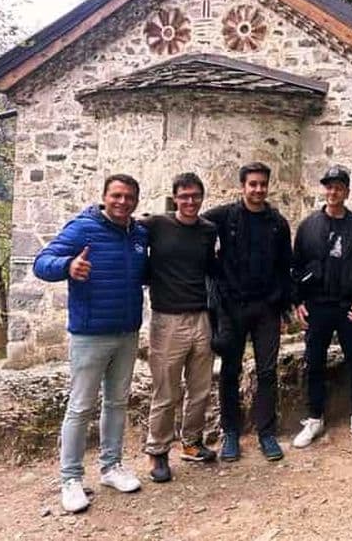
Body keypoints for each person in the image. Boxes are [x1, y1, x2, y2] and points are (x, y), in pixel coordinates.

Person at [33, 174, 148, 514]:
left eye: (129, 197)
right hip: (90, 333)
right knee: (81, 406)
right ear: (104, 197)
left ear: (136, 201)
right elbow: (42, 262)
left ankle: (111, 467)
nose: (122, 202)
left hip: (127, 332)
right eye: (116, 196)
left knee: (116, 402)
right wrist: (68, 266)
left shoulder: (139, 234)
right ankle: (70, 479)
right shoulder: (83, 229)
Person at [291, 166, 352, 448]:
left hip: (348, 305)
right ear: (325, 190)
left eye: (339, 187)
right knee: (314, 361)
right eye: (329, 187)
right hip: (317, 304)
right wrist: (298, 302)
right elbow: (296, 266)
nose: (333, 192)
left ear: (347, 191)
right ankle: (314, 417)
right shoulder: (309, 226)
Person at [203, 162, 292, 462]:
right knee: (230, 370)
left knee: (267, 371)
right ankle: (231, 431)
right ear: (242, 186)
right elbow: (193, 229)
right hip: (232, 307)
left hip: (266, 308)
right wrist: (214, 274)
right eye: (252, 184)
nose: (258, 189)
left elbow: (285, 267)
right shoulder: (222, 217)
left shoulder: (278, 223)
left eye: (262, 184)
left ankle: (266, 432)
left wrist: (283, 304)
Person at [142, 173, 218, 483]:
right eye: (184, 196)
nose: (190, 201)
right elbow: (121, 226)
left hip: (201, 315)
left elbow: (211, 268)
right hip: (167, 319)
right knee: (166, 390)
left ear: (202, 198)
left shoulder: (208, 230)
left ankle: (191, 443)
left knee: (200, 388)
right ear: (175, 198)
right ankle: (158, 450)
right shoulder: (156, 225)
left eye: (195, 196)